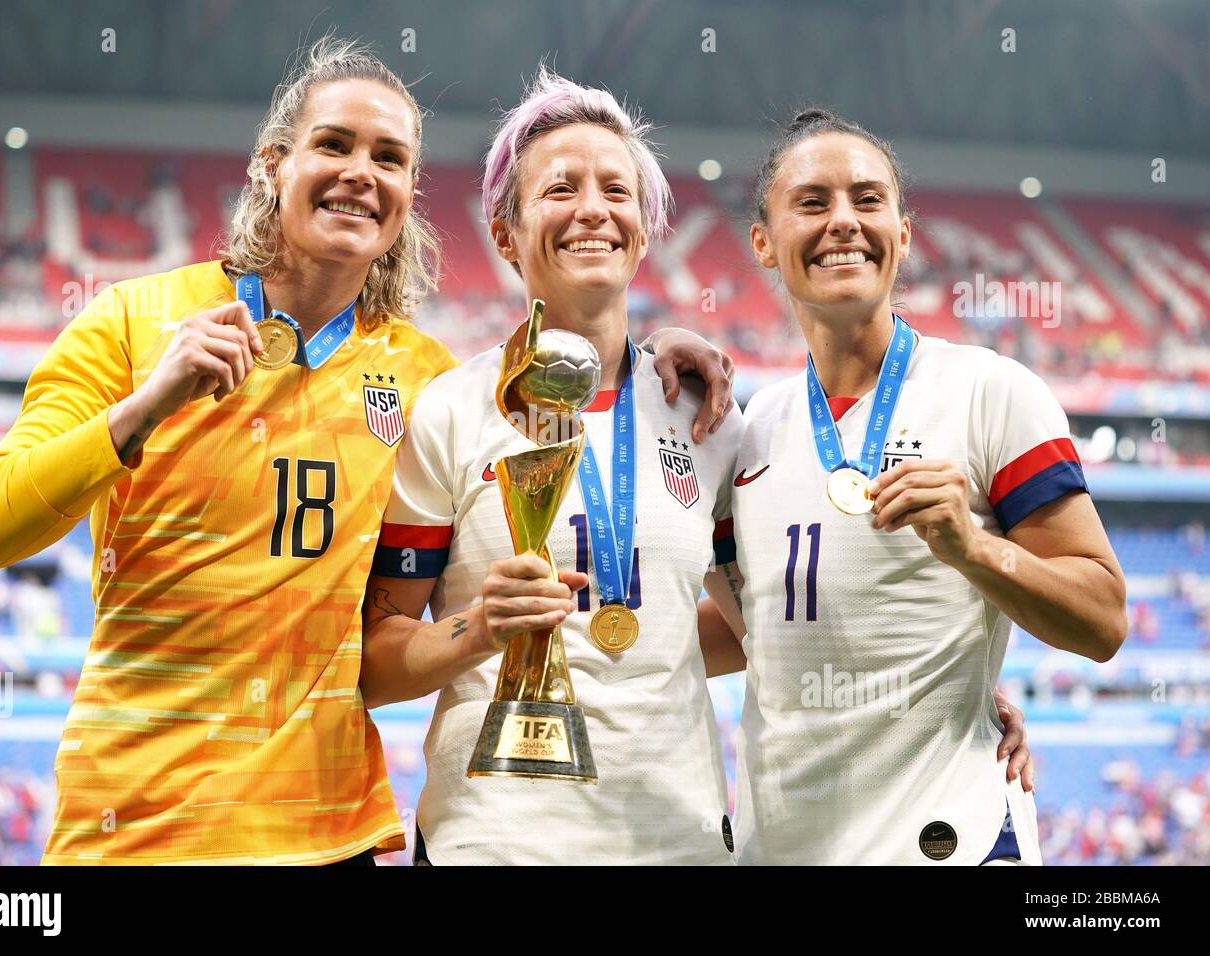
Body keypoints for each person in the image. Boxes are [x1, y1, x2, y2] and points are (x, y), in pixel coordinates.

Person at [0, 37, 730, 866]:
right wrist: (148, 405)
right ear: (272, 165)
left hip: (329, 832)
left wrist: (663, 354)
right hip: (138, 825)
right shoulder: (129, 320)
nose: (362, 172)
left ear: (406, 196)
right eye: (334, 145)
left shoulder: (426, 383)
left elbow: (574, 370)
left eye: (390, 158)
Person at [359, 77, 1034, 865]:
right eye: (559, 189)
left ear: (643, 231)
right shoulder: (447, 410)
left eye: (617, 190)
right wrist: (475, 631)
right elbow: (373, 662)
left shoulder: (706, 418)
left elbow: (768, 619)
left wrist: (944, 693)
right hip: (495, 842)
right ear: (506, 234)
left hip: (678, 843)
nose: (592, 210)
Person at [714, 108, 1127, 865]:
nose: (843, 221)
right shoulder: (754, 428)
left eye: (868, 200)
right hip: (786, 846)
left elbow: (1102, 619)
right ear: (764, 244)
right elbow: (762, 629)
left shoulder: (991, 391)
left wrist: (972, 549)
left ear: (903, 234)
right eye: (812, 202)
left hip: (955, 842)